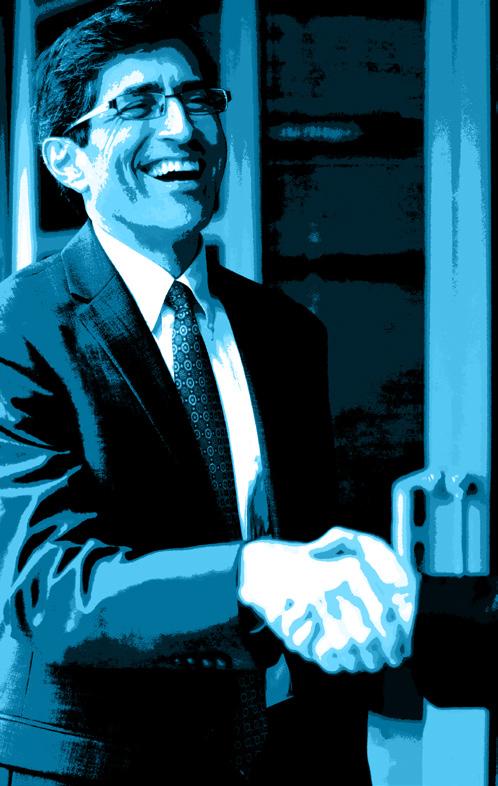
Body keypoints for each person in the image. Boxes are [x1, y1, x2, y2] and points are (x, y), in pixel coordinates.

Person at [0, 2, 416, 783]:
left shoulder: (286, 332)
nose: (182, 128)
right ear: (67, 160)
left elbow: (311, 551)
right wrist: (254, 573)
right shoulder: (19, 326)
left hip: (287, 752)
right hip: (108, 764)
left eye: (197, 99)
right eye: (136, 105)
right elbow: (50, 588)